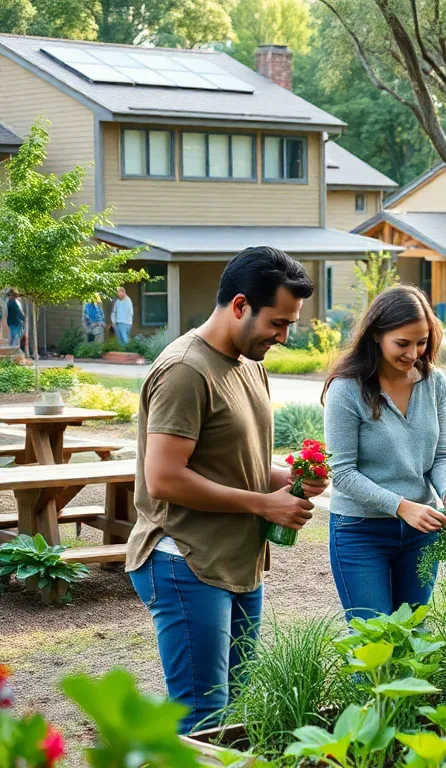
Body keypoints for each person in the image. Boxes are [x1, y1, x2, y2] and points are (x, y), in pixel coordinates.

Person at [125, 246, 324, 733]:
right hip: (185, 559)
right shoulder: (185, 371)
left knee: (237, 715)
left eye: (289, 324)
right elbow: (164, 478)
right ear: (240, 305)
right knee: (202, 716)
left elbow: (236, 464)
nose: (283, 336)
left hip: (235, 560)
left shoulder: (248, 363)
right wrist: (265, 504)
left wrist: (290, 479)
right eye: (277, 323)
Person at [323, 285, 446, 621]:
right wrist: (401, 507)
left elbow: (441, 455)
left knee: (411, 637)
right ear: (376, 335)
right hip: (361, 530)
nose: (414, 353)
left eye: (422, 342)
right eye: (402, 344)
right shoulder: (347, 388)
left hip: (421, 533)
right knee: (374, 640)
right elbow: (342, 473)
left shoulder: (433, 381)